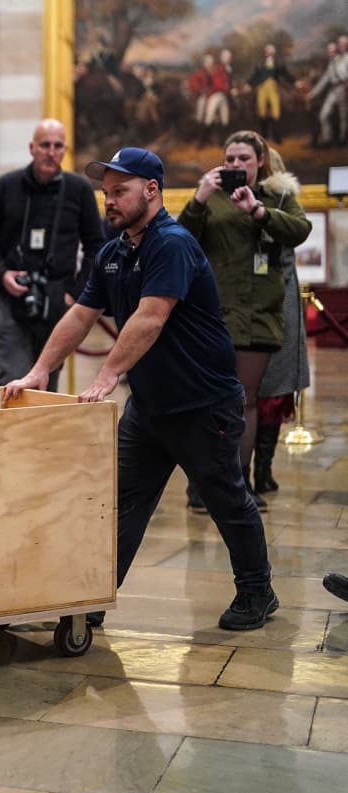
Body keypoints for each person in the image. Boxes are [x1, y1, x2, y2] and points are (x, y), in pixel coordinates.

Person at [2, 146, 277, 632]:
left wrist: (107, 376)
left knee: (227, 501)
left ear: (152, 190)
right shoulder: (113, 253)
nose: (108, 201)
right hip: (150, 407)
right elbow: (81, 316)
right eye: (106, 193)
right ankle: (92, 596)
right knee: (121, 502)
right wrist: (39, 370)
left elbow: (151, 316)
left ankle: (258, 591)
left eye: (119, 191)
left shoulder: (171, 243)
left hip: (202, 404)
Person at [178, 130, 311, 511]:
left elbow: (300, 231)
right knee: (208, 403)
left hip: (257, 314)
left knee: (245, 402)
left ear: (260, 163)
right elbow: (179, 241)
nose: (235, 165)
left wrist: (257, 210)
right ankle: (201, 486)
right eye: (230, 159)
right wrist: (199, 199)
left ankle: (239, 483)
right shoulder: (210, 198)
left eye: (244, 160)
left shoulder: (277, 196)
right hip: (211, 314)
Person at [0, 118, 104, 391]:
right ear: (32, 148)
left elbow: (96, 246)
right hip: (11, 297)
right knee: (14, 380)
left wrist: (75, 294)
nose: (51, 152)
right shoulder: (5, 186)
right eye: (45, 145)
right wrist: (2, 273)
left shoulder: (78, 189)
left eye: (58, 146)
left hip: (58, 299)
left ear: (65, 150)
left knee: (47, 383)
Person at [251, 147, 309, 495]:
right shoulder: (231, 202)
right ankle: (253, 472)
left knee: (274, 392)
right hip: (247, 307)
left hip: (280, 300)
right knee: (252, 396)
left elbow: (298, 231)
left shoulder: (285, 202)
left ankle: (264, 469)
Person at [247, 44, 294, 143]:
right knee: (261, 111)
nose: (270, 53)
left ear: (274, 53)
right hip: (262, 88)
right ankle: (264, 136)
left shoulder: (278, 63)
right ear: (265, 52)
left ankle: (276, 136)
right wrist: (248, 84)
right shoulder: (260, 63)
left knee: (276, 112)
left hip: (273, 88)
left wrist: (294, 81)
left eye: (271, 51)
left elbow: (286, 74)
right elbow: (254, 76)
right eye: (268, 51)